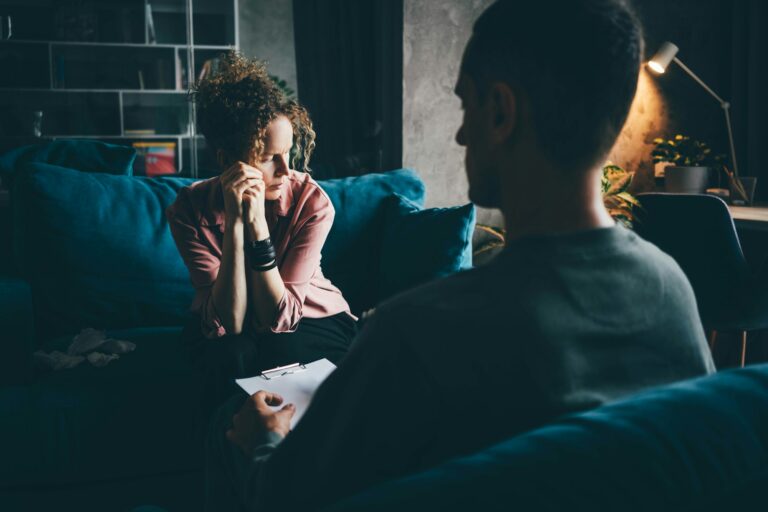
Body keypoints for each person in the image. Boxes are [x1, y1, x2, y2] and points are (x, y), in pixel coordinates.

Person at [207, 1, 716, 510]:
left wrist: (264, 442)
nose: (459, 133)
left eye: (465, 105)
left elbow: (283, 497)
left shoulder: (418, 330)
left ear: (499, 112)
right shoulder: (670, 289)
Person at [166, 52, 357, 409]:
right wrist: (238, 222)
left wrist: (259, 227)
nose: (286, 170)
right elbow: (231, 322)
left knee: (283, 349)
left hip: (307, 314)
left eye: (288, 154)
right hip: (226, 319)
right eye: (270, 157)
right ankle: (237, 450)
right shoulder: (187, 211)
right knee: (229, 354)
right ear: (226, 161)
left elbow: (276, 316)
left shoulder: (312, 203)